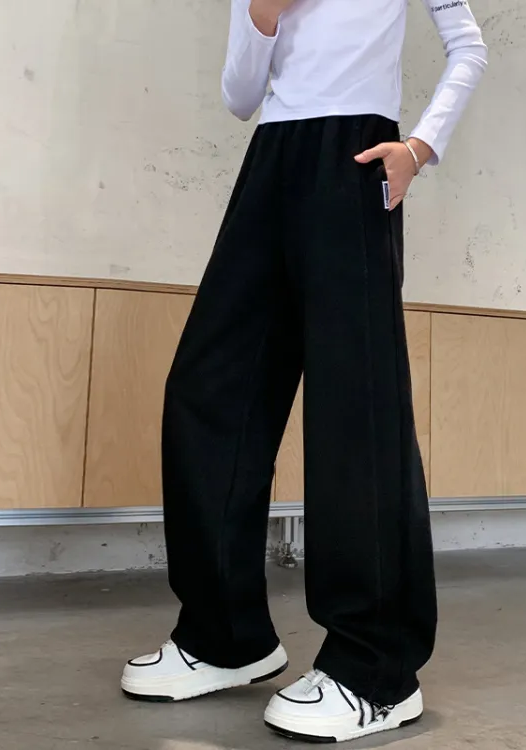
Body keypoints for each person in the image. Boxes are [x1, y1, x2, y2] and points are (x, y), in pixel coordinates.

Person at [121, 0, 487, 742]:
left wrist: (419, 147)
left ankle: (376, 670)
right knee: (210, 387)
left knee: (355, 406)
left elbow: (469, 46)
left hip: (358, 157)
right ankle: (225, 637)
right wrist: (262, 13)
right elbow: (239, 97)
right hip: (271, 159)